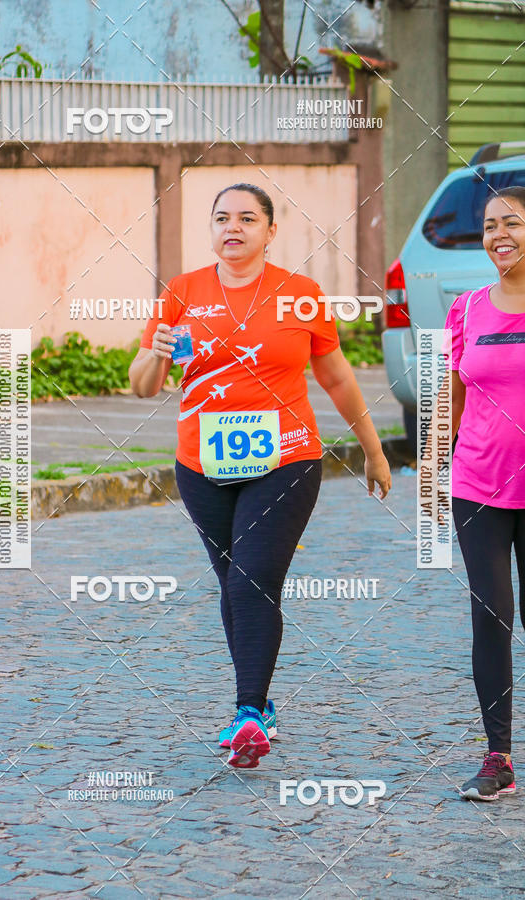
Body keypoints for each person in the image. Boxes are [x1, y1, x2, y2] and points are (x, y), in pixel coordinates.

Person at [129, 182, 392, 768]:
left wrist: (372, 451)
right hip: (201, 465)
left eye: (248, 218)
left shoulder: (301, 296)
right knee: (238, 584)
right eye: (222, 217)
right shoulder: (183, 292)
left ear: (271, 231)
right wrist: (155, 352)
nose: (234, 228)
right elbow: (143, 384)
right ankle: (262, 704)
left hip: (289, 459)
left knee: (249, 576)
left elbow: (339, 379)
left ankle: (248, 712)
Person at [444, 186, 525, 800]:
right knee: (491, 616)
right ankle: (497, 756)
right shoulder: (466, 309)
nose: (501, 235)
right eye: (491, 225)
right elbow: (451, 399)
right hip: (478, 488)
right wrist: (432, 478)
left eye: (514, 223)